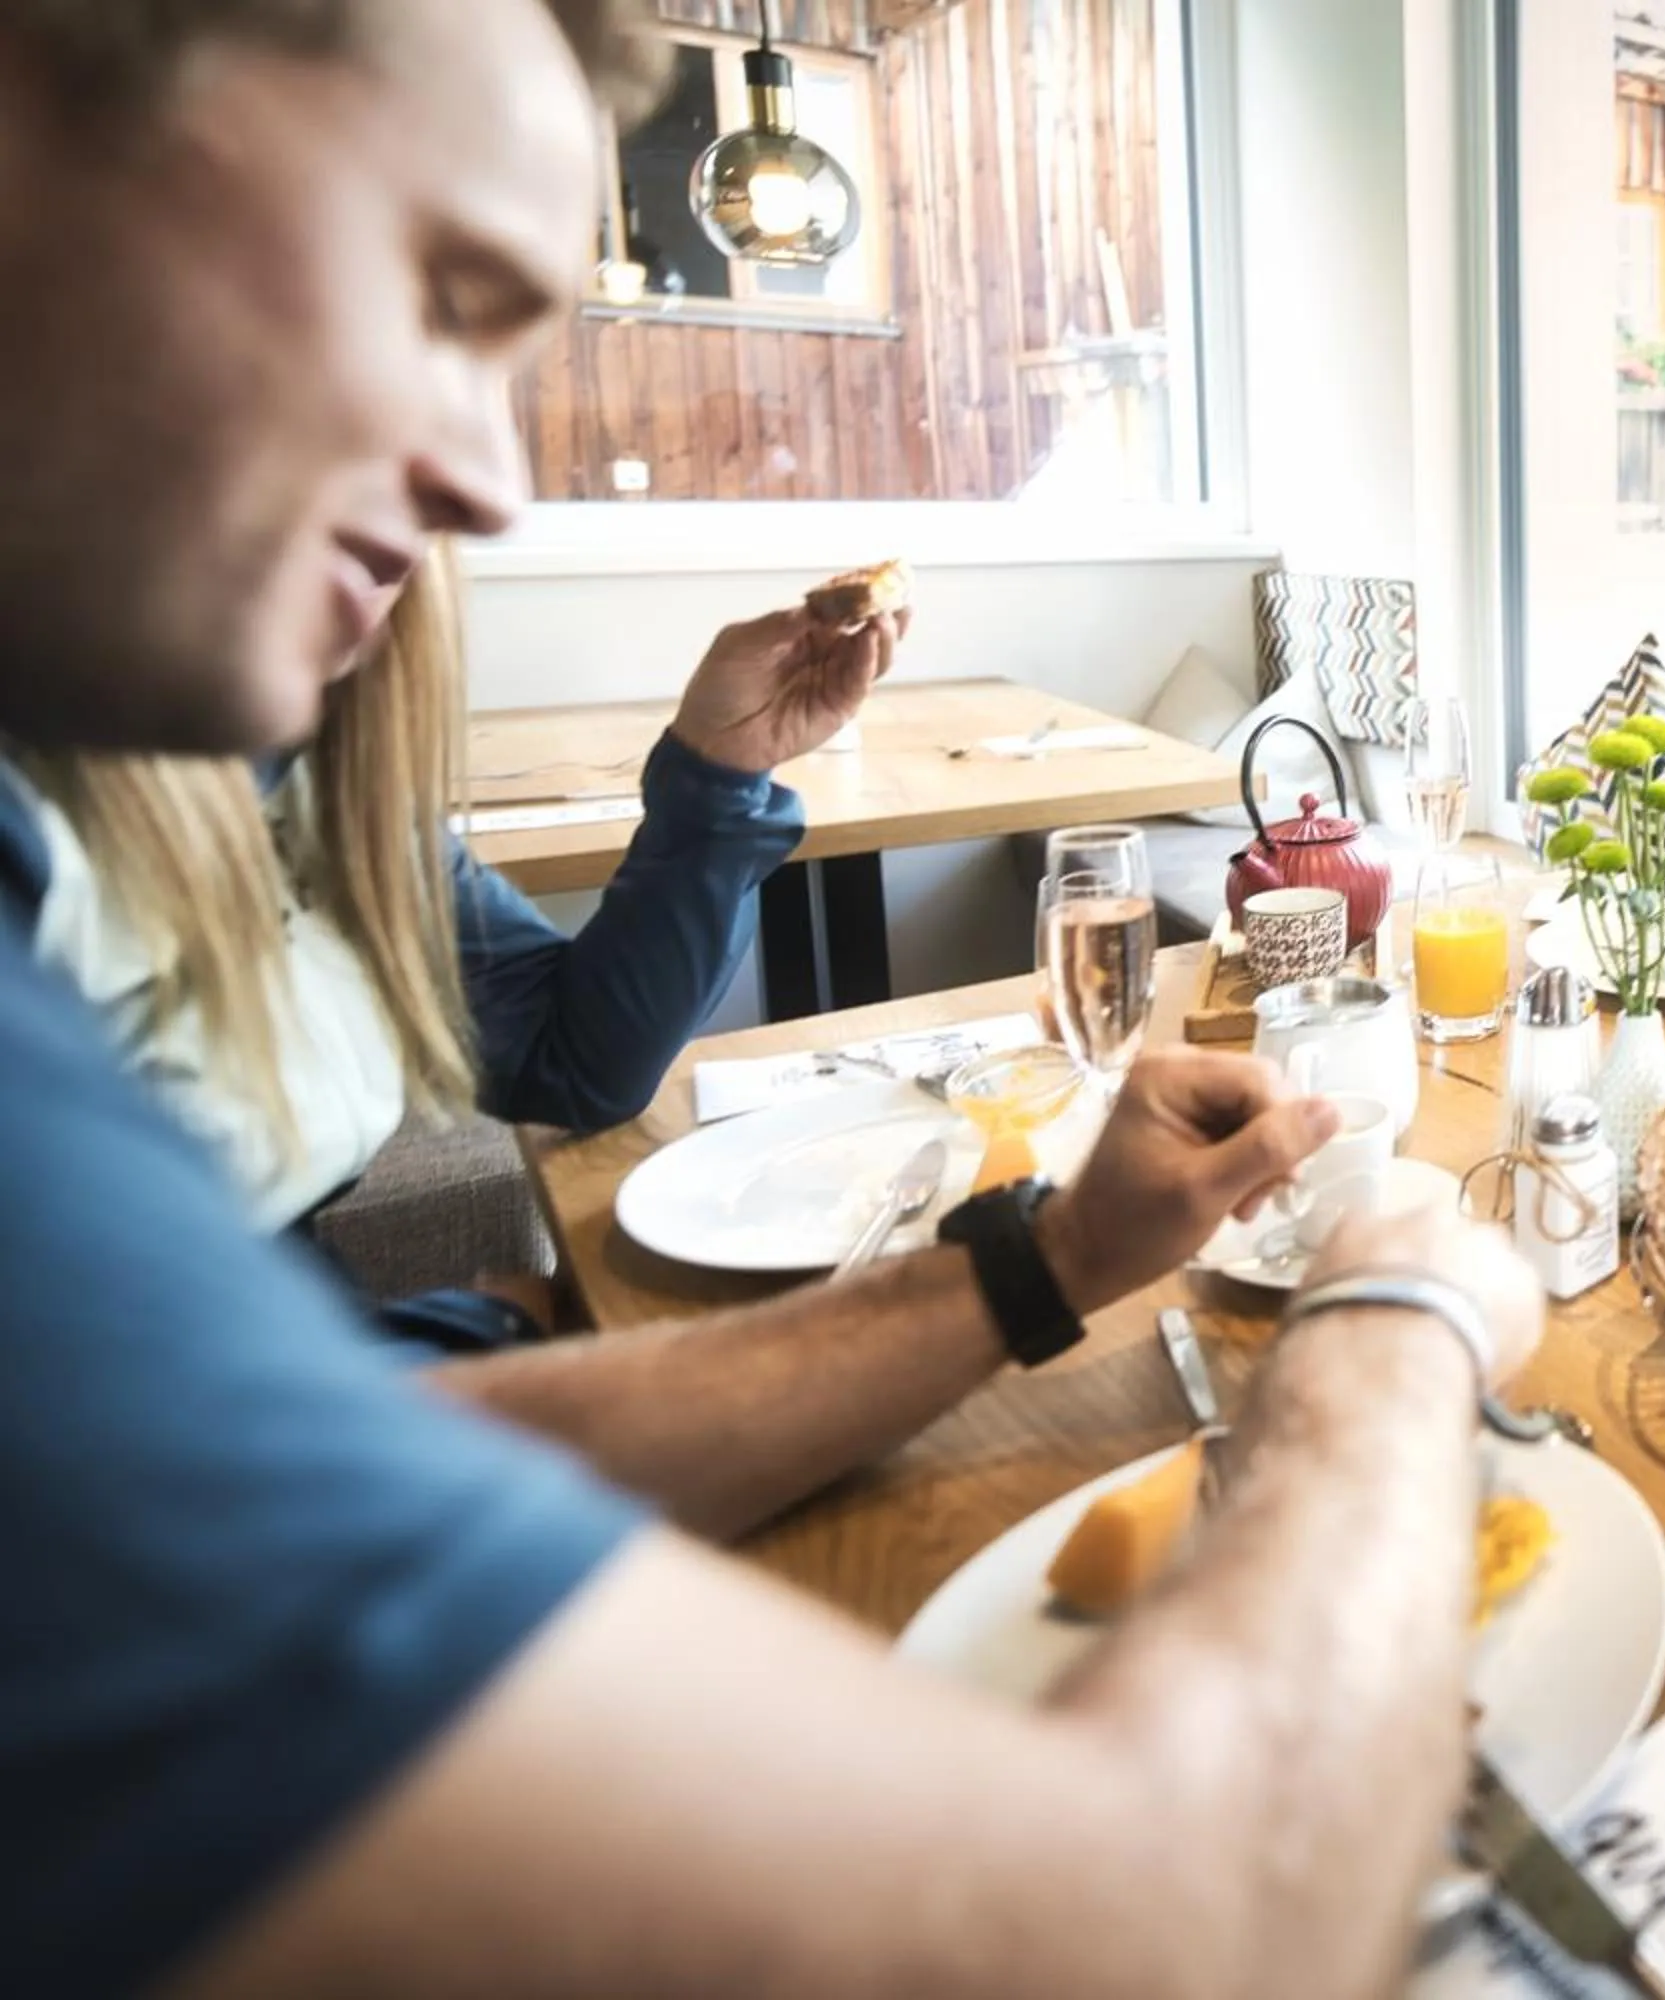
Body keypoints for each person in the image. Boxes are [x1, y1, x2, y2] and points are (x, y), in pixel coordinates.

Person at [0, 8, 1543, 1996]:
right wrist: (1398, 1324)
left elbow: (429, 1337)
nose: (487, 481)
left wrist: (1043, 1254)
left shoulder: (258, 759)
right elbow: (1154, 1935)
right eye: (437, 288)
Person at [15, 541, 894, 1232]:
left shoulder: (327, 789)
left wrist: (721, 767)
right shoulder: (36, 829)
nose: (480, 484)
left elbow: (572, 1063)